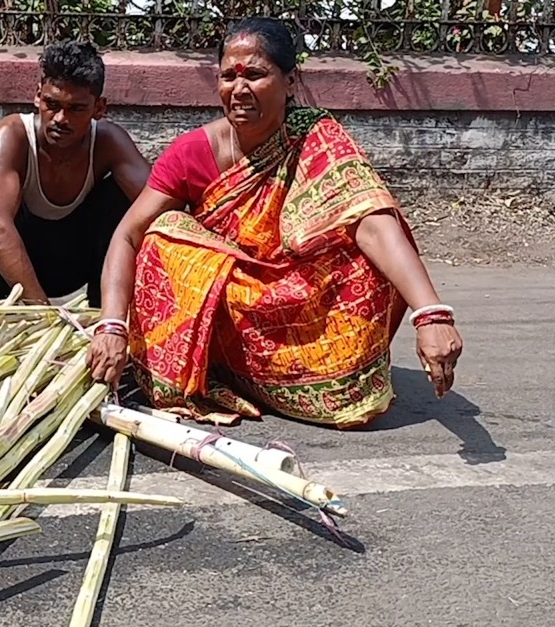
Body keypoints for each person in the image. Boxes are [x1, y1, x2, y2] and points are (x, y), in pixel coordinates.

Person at [85, 18, 464, 428]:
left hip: (299, 306)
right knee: (164, 234)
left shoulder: (318, 140)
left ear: (290, 81)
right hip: (232, 313)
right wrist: (111, 327)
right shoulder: (192, 152)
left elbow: (372, 223)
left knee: (367, 260)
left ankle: (291, 377)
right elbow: (128, 236)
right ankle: (222, 371)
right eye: (229, 76)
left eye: (256, 75)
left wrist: (432, 316)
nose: (239, 89)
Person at [0, 40, 151, 306]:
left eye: (76, 109)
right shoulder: (11, 136)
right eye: (52, 104)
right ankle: (4, 303)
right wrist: (43, 313)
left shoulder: (109, 141)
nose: (60, 119)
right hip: (16, 267)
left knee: (126, 201)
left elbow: (159, 206)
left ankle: (102, 308)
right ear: (37, 96)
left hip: (75, 264)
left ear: (99, 108)